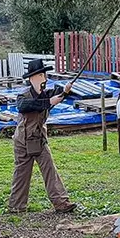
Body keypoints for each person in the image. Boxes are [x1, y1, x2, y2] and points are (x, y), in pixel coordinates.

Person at [9, 58, 77, 213]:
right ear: (33, 78)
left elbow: (57, 95)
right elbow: (24, 107)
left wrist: (65, 91)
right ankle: (16, 206)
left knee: (50, 170)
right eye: (41, 76)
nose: (45, 79)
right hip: (23, 142)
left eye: (45, 75)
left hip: (39, 139)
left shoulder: (46, 94)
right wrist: (48, 102)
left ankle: (61, 203)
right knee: (22, 173)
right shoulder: (23, 96)